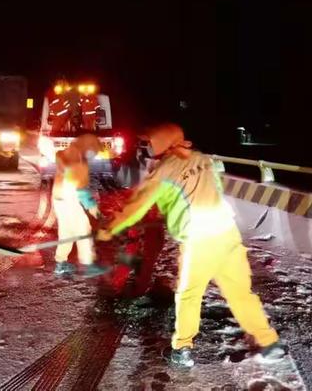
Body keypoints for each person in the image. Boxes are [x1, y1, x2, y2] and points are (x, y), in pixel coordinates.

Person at [97, 123, 285, 367]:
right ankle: (269, 342)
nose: (147, 147)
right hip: (227, 234)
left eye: (150, 142)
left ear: (163, 143)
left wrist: (109, 228)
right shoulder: (201, 159)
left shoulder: (164, 170)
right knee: (240, 293)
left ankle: (182, 350)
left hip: (199, 241)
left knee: (189, 294)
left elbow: (136, 206)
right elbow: (210, 191)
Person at [52, 134, 108, 278]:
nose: (94, 155)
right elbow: (80, 190)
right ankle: (89, 265)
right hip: (69, 197)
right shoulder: (78, 161)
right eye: (94, 151)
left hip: (59, 198)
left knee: (67, 232)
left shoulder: (68, 153)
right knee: (83, 229)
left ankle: (60, 264)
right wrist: (93, 207)